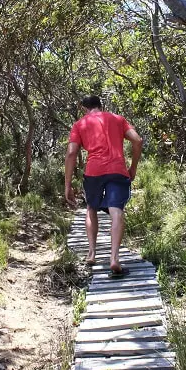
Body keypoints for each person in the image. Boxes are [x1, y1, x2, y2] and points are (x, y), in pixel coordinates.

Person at [64, 95, 143, 278]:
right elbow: (137, 140)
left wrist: (67, 184)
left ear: (84, 109)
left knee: (91, 208)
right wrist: (133, 167)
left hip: (93, 172)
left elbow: (71, 153)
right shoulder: (118, 119)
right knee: (116, 211)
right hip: (118, 170)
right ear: (101, 106)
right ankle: (114, 258)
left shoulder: (79, 125)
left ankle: (91, 253)